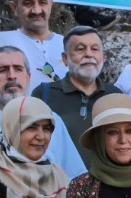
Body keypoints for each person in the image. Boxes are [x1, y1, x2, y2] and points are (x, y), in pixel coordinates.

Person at [0, 47, 86, 181]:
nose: (11, 76)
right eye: (3, 70)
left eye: (18, 69)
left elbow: (76, 179)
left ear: (29, 77)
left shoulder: (52, 121)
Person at [34, 25, 117, 165]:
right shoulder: (44, 94)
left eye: (95, 49)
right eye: (80, 49)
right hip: (57, 183)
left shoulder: (115, 96)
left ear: (103, 57)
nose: (89, 54)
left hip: (106, 184)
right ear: (65, 58)